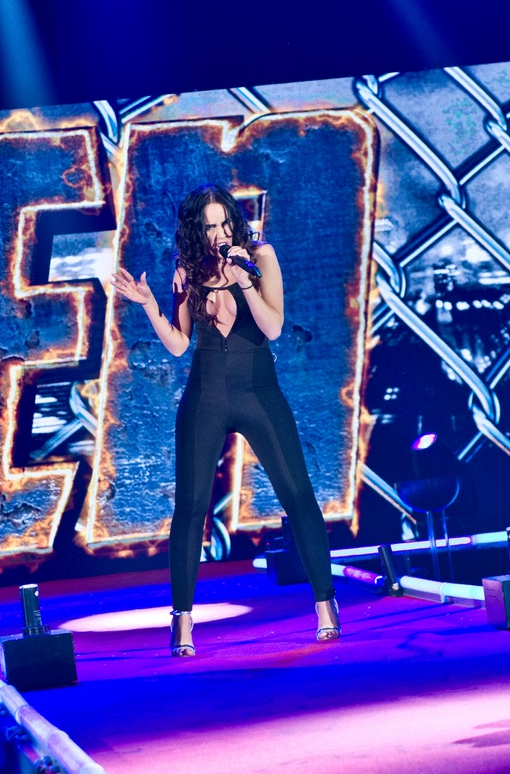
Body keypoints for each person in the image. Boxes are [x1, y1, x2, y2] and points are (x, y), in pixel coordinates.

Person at [112, 183, 341, 655]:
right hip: (206, 396)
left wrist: (243, 279)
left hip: (259, 393)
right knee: (190, 507)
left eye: (224, 223)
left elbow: (273, 326)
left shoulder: (260, 257)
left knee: (298, 496)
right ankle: (181, 623)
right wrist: (150, 304)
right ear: (196, 230)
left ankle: (325, 606)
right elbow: (179, 344)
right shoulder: (187, 269)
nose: (218, 233)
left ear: (235, 222)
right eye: (209, 226)